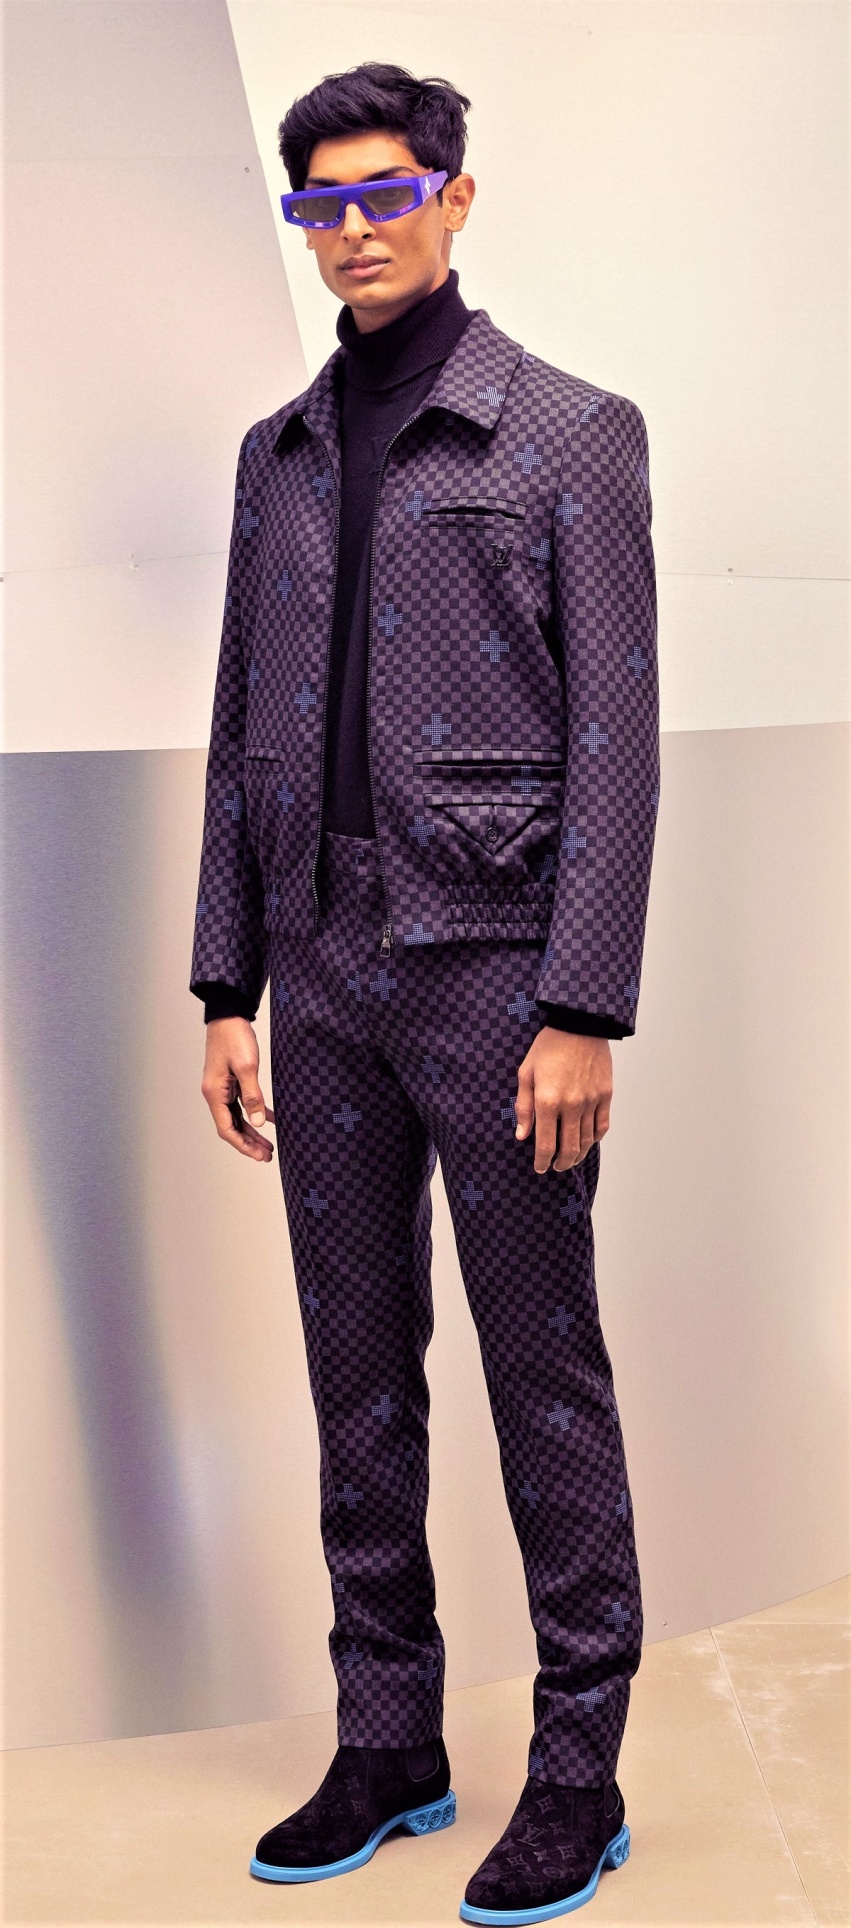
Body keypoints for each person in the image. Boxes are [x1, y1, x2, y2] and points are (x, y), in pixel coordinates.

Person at [190, 60, 659, 1925]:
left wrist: (584, 1007)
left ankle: (579, 1769)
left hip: (497, 983)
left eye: (387, 192)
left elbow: (616, 740)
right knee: (356, 1375)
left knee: (544, 1375)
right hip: (317, 973)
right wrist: (225, 981)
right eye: (322, 203)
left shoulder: (569, 435)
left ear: (455, 199)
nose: (355, 229)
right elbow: (238, 725)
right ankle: (389, 1741)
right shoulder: (278, 456)